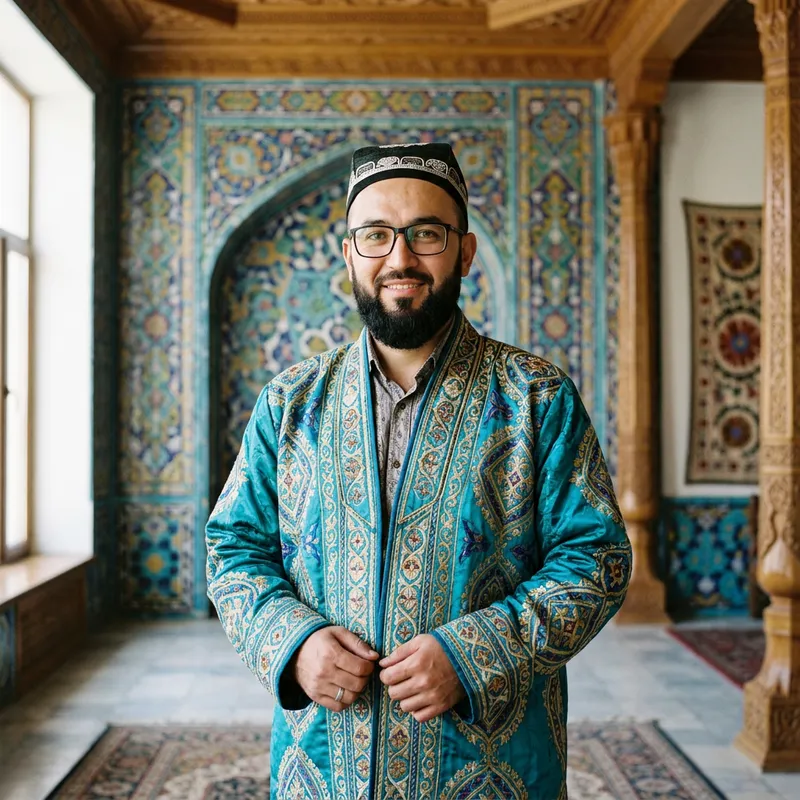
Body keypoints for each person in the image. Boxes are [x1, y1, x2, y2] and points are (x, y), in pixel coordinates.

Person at [206, 141, 631, 799]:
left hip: (492, 764)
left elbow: (597, 560)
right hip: (323, 762)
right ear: (348, 253)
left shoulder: (536, 398)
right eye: (375, 236)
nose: (399, 258)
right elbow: (232, 550)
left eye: (425, 234)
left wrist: (478, 652)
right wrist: (294, 642)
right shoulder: (289, 404)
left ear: (463, 252)